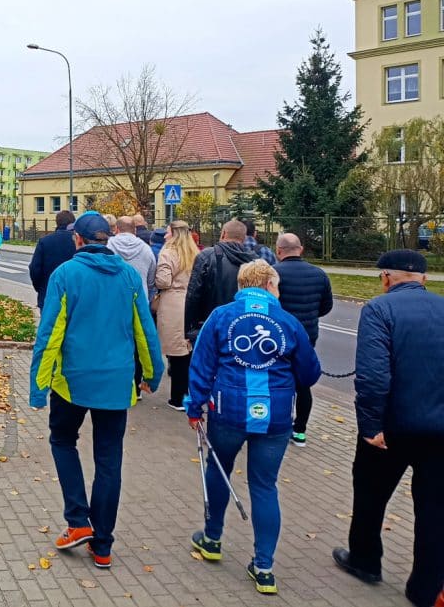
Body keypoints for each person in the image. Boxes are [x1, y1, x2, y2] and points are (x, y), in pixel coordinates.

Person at [30, 211, 164, 570]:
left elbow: (50, 335)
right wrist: (153, 372)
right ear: (107, 240)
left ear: (78, 240)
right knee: (109, 459)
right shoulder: (129, 277)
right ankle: (102, 544)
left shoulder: (66, 274)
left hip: (72, 382)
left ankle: (77, 521)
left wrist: (38, 385)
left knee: (62, 440)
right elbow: (145, 330)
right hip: (117, 383)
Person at [186, 260, 321, 596]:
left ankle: (212, 538)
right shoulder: (288, 322)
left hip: (228, 411)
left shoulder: (220, 317)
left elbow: (201, 365)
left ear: (243, 285)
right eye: (276, 286)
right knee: (264, 486)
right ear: (269, 285)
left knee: (219, 472)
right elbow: (309, 374)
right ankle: (264, 567)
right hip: (274, 417)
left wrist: (194, 405)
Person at [332, 250, 444, 607]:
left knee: (369, 496)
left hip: (391, 428)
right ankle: (426, 588)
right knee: (435, 510)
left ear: (385, 278)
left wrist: (370, 425)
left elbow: (373, 376)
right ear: (424, 279)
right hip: (440, 432)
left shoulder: (379, 310)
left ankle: (365, 561)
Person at [272, 232, 332, 447]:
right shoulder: (319, 274)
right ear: (301, 249)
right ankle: (300, 431)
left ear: (278, 251)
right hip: (307, 336)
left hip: (278, 336)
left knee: (278, 380)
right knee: (303, 384)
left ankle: (278, 424)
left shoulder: (274, 274)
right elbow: (326, 306)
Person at [184, 219, 258, 344]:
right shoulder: (254, 260)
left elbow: (193, 294)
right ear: (244, 238)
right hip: (244, 326)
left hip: (210, 324)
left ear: (223, 233)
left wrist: (189, 328)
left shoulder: (207, 256)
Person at [154, 220, 197, 410]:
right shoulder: (195, 253)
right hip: (192, 301)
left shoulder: (168, 252)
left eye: (167, 232)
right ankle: (189, 392)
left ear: (174, 234)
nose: (164, 236)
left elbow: (163, 281)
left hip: (174, 302)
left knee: (177, 351)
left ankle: (177, 397)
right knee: (188, 349)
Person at [28, 210, 76, 310]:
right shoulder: (78, 241)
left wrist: (40, 288)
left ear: (57, 222)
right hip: (73, 294)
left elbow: (34, 268)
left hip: (48, 293)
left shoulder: (45, 241)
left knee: (49, 324)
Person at [109, 216, 157, 300]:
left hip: (114, 298)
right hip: (140, 299)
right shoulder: (146, 249)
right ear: (135, 230)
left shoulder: (108, 246)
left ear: (116, 229)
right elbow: (151, 280)